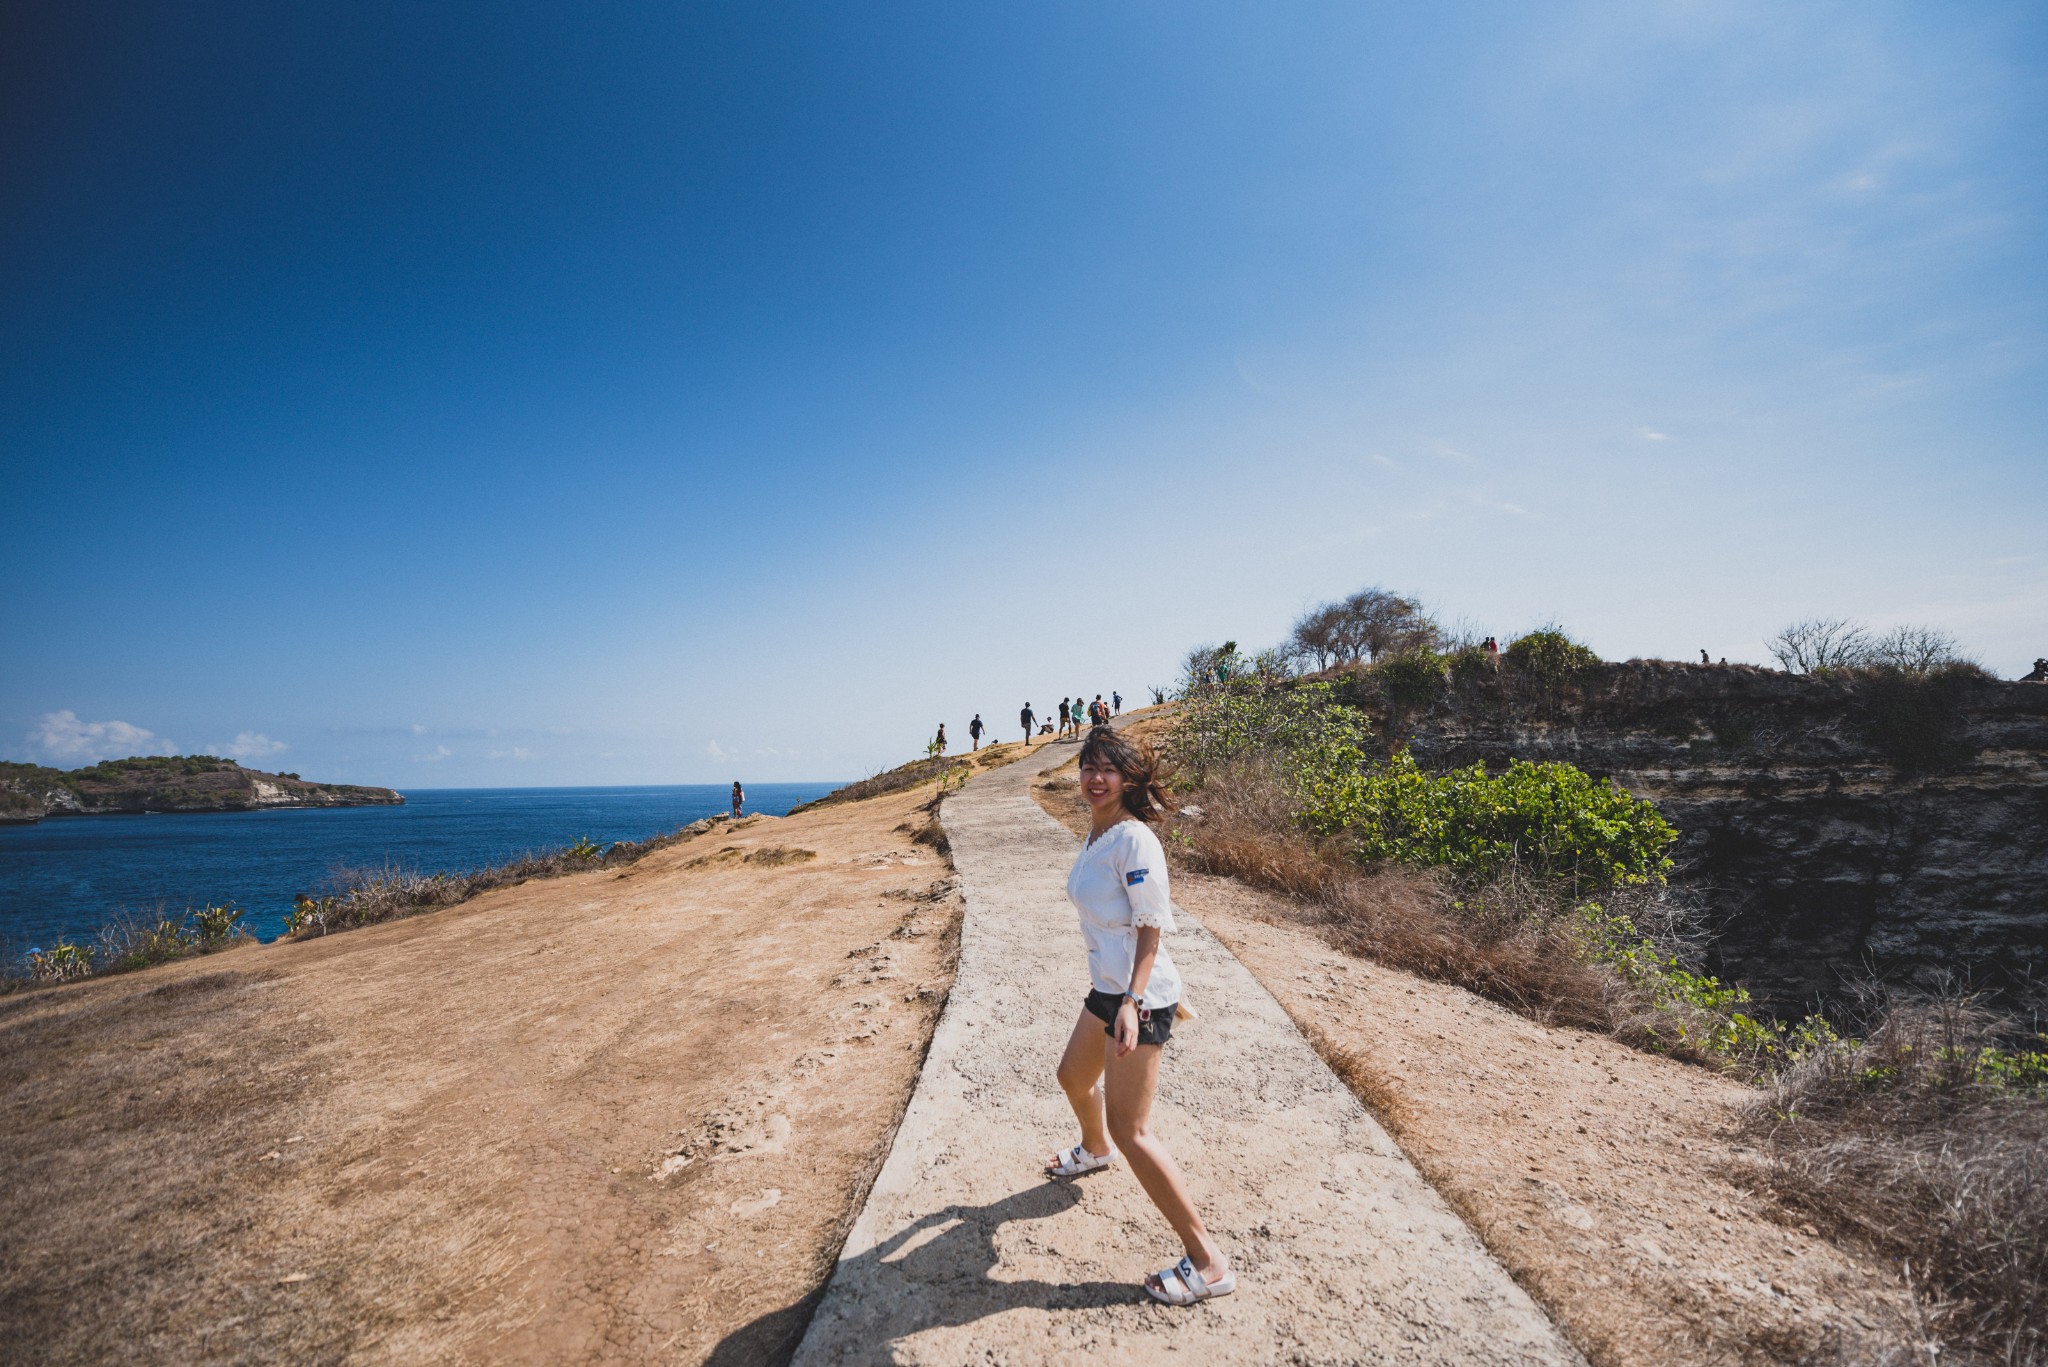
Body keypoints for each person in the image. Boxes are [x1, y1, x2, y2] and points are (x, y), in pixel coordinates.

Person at [1044, 726, 1235, 1306]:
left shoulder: (1134, 842)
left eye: (1108, 769)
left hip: (1138, 997)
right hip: (1110, 988)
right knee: (1073, 1078)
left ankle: (1209, 1263)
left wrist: (1133, 1001)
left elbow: (1151, 925)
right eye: (1087, 767)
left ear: (1129, 779)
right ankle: (1093, 1149)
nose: (1095, 778)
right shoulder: (1098, 834)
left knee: (1135, 1129)